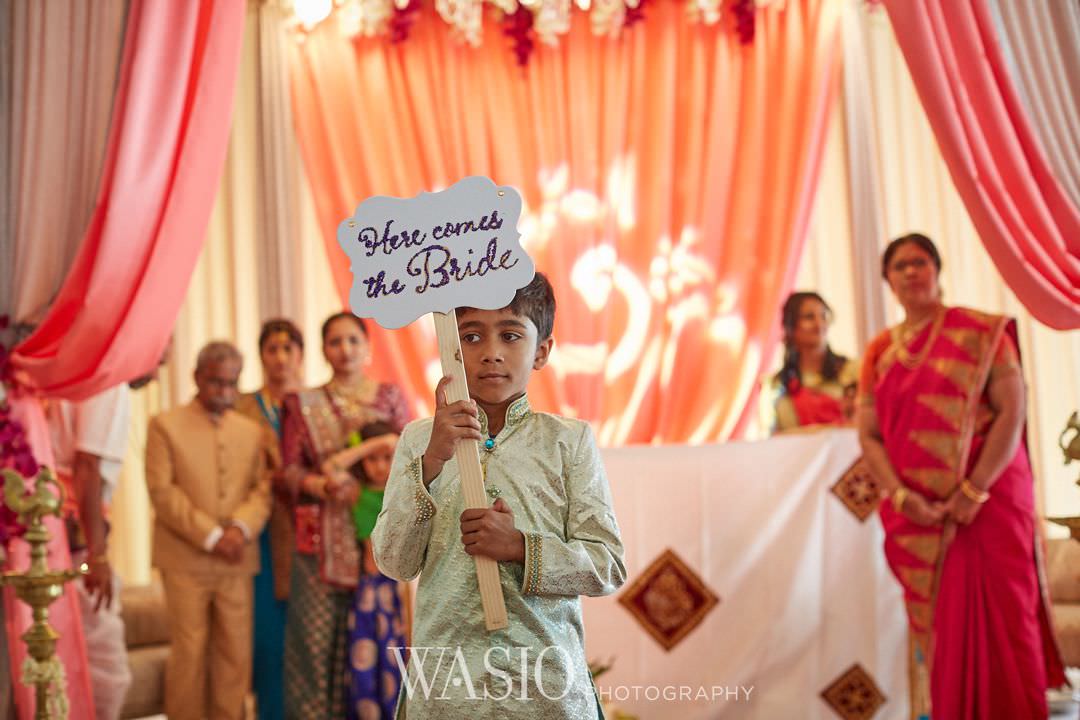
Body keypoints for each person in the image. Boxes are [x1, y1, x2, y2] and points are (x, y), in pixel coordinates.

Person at [372, 272, 626, 719]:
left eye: (510, 335)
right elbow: (394, 561)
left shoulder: (566, 442)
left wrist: (520, 548)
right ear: (450, 347)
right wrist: (433, 460)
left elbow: (606, 567)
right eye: (471, 336)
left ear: (542, 350)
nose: (491, 353)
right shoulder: (418, 441)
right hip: (448, 690)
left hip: (543, 688)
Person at [856, 233, 1066, 719]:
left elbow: (1012, 409)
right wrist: (901, 496)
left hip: (990, 500)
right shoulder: (879, 353)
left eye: (921, 261)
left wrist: (974, 490)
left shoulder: (982, 332)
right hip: (920, 512)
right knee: (943, 631)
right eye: (900, 265)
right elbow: (868, 435)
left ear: (937, 268)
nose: (911, 272)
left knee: (1005, 614)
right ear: (887, 279)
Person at [278, 313, 411, 718]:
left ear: (368, 347)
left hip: (378, 542)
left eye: (353, 340)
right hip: (321, 544)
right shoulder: (301, 404)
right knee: (316, 649)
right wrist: (323, 486)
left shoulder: (389, 397)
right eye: (335, 342)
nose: (345, 349)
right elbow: (289, 469)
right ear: (323, 350)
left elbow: (413, 460)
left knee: (383, 649)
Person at [145, 341, 271, 720]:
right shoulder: (164, 425)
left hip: (237, 559)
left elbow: (262, 487)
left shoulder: (250, 431)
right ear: (197, 377)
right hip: (185, 561)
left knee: (234, 653)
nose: (225, 391)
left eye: (232, 383)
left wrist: (239, 528)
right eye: (216, 382)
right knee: (189, 652)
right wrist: (213, 536)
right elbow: (162, 491)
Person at [43, 348, 167, 719]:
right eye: (159, 356)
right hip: (71, 544)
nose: (159, 372)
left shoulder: (73, 372)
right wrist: (96, 555)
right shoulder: (105, 382)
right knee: (108, 675)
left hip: (56, 537)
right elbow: (87, 468)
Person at [234, 319, 304, 720]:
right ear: (261, 355)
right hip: (258, 533)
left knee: (308, 634)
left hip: (307, 529)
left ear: (300, 355)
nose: (280, 358)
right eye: (272, 349)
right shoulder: (242, 406)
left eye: (288, 348)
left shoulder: (313, 403)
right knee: (265, 637)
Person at [339, 421, 408, 720]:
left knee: (397, 660)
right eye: (372, 459)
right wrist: (376, 443)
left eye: (386, 457)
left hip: (400, 590)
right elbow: (332, 468)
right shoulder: (357, 494)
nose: (380, 467)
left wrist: (396, 444)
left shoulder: (404, 494)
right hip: (370, 591)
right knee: (367, 662)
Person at [770, 291, 857, 433]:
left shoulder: (851, 370)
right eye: (809, 317)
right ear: (791, 326)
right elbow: (776, 436)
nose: (819, 324)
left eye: (823, 316)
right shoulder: (779, 384)